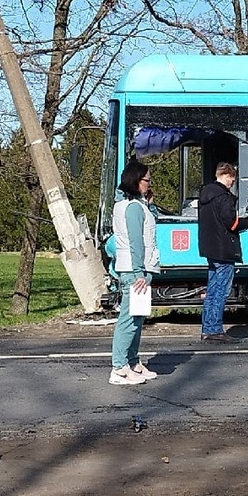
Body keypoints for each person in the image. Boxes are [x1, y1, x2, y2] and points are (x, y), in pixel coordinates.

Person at [109, 159, 160, 384]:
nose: (149, 184)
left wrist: (149, 205)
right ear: (136, 180)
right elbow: (135, 242)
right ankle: (119, 368)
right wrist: (140, 272)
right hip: (134, 270)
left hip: (138, 269)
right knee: (129, 319)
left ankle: (132, 362)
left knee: (137, 319)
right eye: (147, 180)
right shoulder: (131, 208)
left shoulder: (136, 205)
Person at [198, 161, 248, 341]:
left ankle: (207, 327)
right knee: (220, 290)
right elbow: (232, 223)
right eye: (232, 179)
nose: (232, 183)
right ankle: (214, 329)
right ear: (227, 176)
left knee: (212, 289)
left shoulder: (205, 194)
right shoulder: (224, 197)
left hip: (209, 248)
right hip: (223, 248)